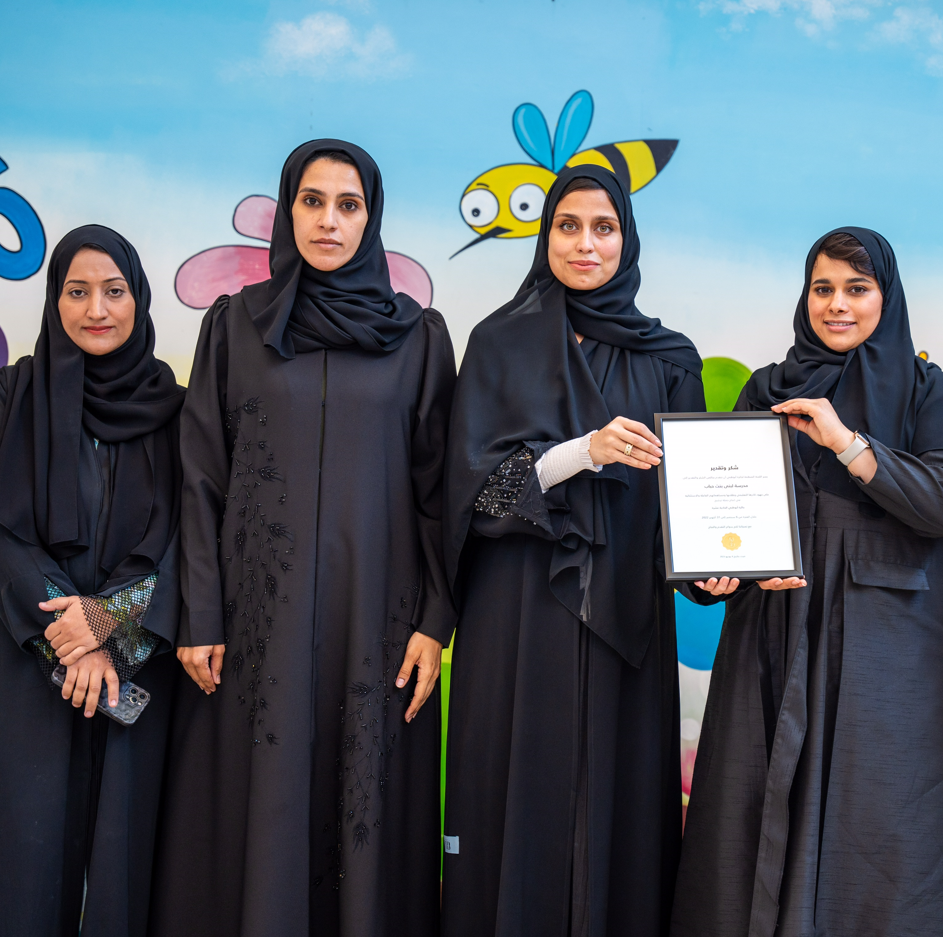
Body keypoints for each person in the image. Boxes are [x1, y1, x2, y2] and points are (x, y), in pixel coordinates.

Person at [151, 140, 456, 937]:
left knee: (364, 814)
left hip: (376, 626)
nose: (329, 220)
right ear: (288, 211)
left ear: (372, 216)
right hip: (255, 624)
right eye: (312, 201)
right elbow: (201, 476)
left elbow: (438, 493)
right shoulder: (234, 326)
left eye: (347, 204)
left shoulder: (420, 338)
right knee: (256, 806)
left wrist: (434, 620)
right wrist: (202, 616)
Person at [669, 228, 943, 936]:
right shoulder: (765, 388)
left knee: (874, 825)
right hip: (770, 636)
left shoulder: (924, 389)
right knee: (749, 813)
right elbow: (724, 514)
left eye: (856, 289)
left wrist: (847, 442)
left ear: (886, 296)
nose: (837, 305)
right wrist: (714, 582)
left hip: (882, 648)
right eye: (823, 289)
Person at [441, 165, 704, 937]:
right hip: (516, 615)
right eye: (568, 226)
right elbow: (473, 499)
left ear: (627, 237)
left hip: (627, 622)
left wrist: (718, 569)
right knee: (515, 805)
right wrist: (580, 452)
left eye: (604, 227)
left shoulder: (669, 357)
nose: (586, 243)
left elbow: (686, 515)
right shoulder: (497, 342)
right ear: (544, 235)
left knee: (616, 814)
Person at [0, 226, 184, 936]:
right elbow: (5, 533)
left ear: (138, 297)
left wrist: (107, 628)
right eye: (77, 291)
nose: (96, 308)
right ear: (54, 300)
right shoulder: (15, 394)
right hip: (29, 662)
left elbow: (183, 537)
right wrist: (68, 636)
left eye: (114, 290)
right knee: (26, 854)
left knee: (125, 864)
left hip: (133, 667)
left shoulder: (178, 410)